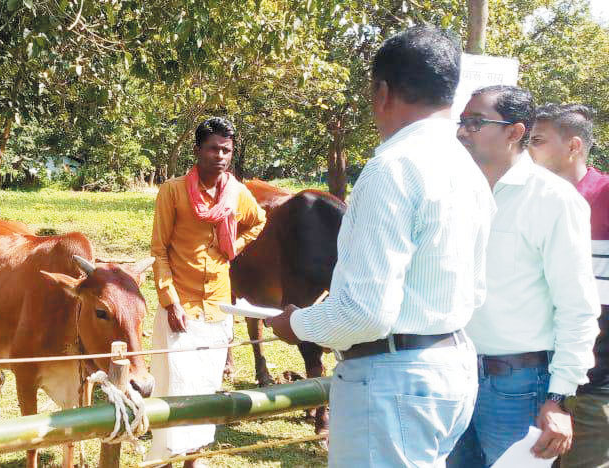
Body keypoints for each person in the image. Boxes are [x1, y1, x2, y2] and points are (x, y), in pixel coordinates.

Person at [265, 26, 494, 467]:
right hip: (452, 367)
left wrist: (301, 324)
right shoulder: (468, 168)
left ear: (383, 92)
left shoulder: (392, 168)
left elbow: (365, 313)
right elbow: (476, 288)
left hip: (392, 379)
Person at [446, 88, 600, 467]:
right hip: (450, 374)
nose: (463, 132)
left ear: (515, 133)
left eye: (475, 122)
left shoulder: (554, 200)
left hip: (517, 384)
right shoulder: (453, 193)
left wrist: (560, 398)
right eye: (462, 121)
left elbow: (577, 306)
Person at [147, 117, 265, 468]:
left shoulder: (236, 194)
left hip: (217, 309)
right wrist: (169, 301)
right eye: (213, 148)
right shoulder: (172, 191)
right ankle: (167, 459)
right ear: (197, 150)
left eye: (226, 150)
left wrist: (232, 247)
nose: (220, 156)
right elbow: (159, 251)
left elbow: (258, 220)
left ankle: (193, 461)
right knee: (173, 389)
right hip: (180, 307)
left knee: (206, 388)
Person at [530, 103, 609, 468]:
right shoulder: (528, 200)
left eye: (538, 140)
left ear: (574, 146)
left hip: (594, 386)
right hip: (531, 380)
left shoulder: (604, 197)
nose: (527, 148)